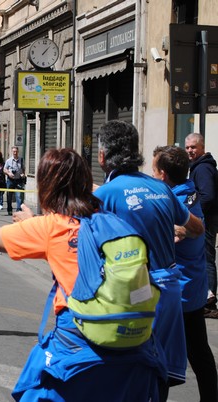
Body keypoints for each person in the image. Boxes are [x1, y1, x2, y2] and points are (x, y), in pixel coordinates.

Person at [0, 148, 167, 401]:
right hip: (134, 350)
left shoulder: (49, 227)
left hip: (79, 345)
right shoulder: (112, 222)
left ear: (47, 185)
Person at [94, 120, 204, 401]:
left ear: (103, 156)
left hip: (135, 293)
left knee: (127, 370)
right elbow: (197, 227)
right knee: (160, 370)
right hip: (168, 292)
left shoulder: (104, 195)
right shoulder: (160, 189)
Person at [152, 145, 218, 401]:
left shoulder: (176, 201)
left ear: (165, 175)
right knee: (198, 352)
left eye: (155, 171)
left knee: (162, 354)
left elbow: (181, 232)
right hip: (190, 287)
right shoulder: (187, 193)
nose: (153, 176)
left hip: (179, 291)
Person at [184, 133, 218, 315]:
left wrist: (192, 211)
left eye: (193, 147)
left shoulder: (203, 168)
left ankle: (209, 301)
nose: (190, 150)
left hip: (205, 219)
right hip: (205, 219)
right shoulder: (198, 166)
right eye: (187, 147)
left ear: (202, 147)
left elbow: (208, 196)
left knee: (207, 257)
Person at [4, 146, 26, 216]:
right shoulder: (8, 161)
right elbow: (4, 169)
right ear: (12, 152)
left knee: (19, 196)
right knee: (9, 196)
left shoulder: (21, 160)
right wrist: (8, 173)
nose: (15, 153)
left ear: (18, 152)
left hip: (18, 180)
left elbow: (23, 169)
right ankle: (9, 210)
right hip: (10, 180)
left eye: (16, 151)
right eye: (14, 152)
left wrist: (23, 174)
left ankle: (18, 210)